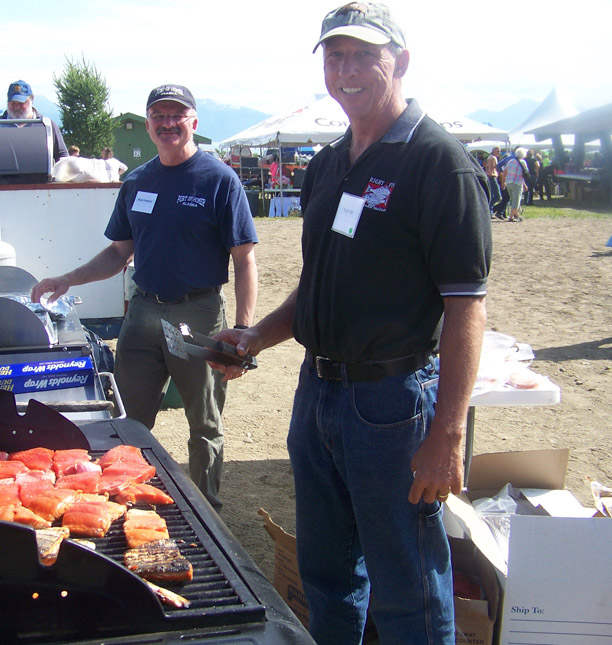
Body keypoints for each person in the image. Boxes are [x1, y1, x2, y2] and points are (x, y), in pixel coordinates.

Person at [210, 4, 491, 643]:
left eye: (365, 54)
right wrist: (255, 337)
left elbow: (466, 305)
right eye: (335, 56)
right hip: (318, 394)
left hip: (392, 404)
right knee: (329, 578)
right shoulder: (329, 163)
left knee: (407, 584)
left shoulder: (437, 161)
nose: (348, 70)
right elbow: (319, 286)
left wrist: (447, 433)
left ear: (402, 62)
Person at [31, 84, 258, 512]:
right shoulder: (137, 180)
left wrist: (243, 330)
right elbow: (119, 252)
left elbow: (244, 261)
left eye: (177, 115)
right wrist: (68, 279)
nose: (168, 123)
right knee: (127, 419)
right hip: (144, 312)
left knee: (204, 421)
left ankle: (206, 509)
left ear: (193, 121)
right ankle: (125, 500)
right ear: (149, 122)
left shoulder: (219, 180)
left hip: (198, 313)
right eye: (159, 115)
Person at [0, 80, 69, 162]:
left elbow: (62, 156)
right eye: (13, 103)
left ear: (31, 100)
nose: (16, 107)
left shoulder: (46, 125)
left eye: (21, 103)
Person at [504, 147, 530, 221]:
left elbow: (505, 171)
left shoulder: (510, 161)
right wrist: (525, 184)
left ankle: (517, 214)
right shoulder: (523, 162)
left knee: (513, 199)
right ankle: (511, 216)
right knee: (517, 200)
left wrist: (503, 182)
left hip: (509, 182)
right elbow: (524, 174)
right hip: (517, 183)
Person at [484, 146, 504, 218]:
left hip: (489, 177)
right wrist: (502, 176)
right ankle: (489, 209)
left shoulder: (489, 157)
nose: (499, 153)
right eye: (498, 151)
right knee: (498, 196)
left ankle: (490, 212)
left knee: (492, 195)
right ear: (494, 151)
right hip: (492, 177)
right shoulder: (493, 158)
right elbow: (497, 167)